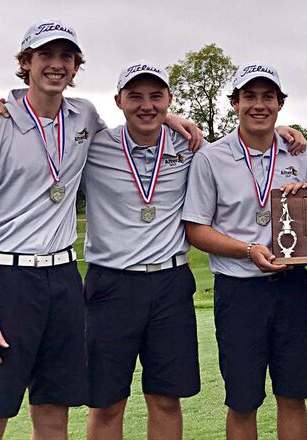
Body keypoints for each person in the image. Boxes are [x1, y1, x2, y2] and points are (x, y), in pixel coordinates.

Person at [0, 19, 104, 440]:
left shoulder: (85, 116)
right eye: (45, 55)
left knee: (54, 412)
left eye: (66, 57)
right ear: (26, 62)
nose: (56, 64)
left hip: (63, 279)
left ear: (76, 66)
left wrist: (174, 118)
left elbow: (134, 134)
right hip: (4, 280)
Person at [184, 62, 307, 440]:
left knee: (293, 396)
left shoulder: (297, 152)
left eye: (268, 97)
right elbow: (196, 228)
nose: (259, 105)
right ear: (235, 103)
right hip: (239, 291)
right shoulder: (211, 157)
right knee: (243, 401)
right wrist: (247, 250)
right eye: (249, 97)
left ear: (280, 104)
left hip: (292, 287)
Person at [81, 61, 202, 440]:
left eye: (155, 97)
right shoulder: (93, 145)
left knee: (166, 400)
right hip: (111, 286)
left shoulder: (189, 146)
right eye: (135, 97)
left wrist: (282, 133)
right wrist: (1, 107)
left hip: (170, 284)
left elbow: (241, 151)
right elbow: (50, 128)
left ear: (169, 99)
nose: (146, 105)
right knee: (106, 403)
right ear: (118, 101)